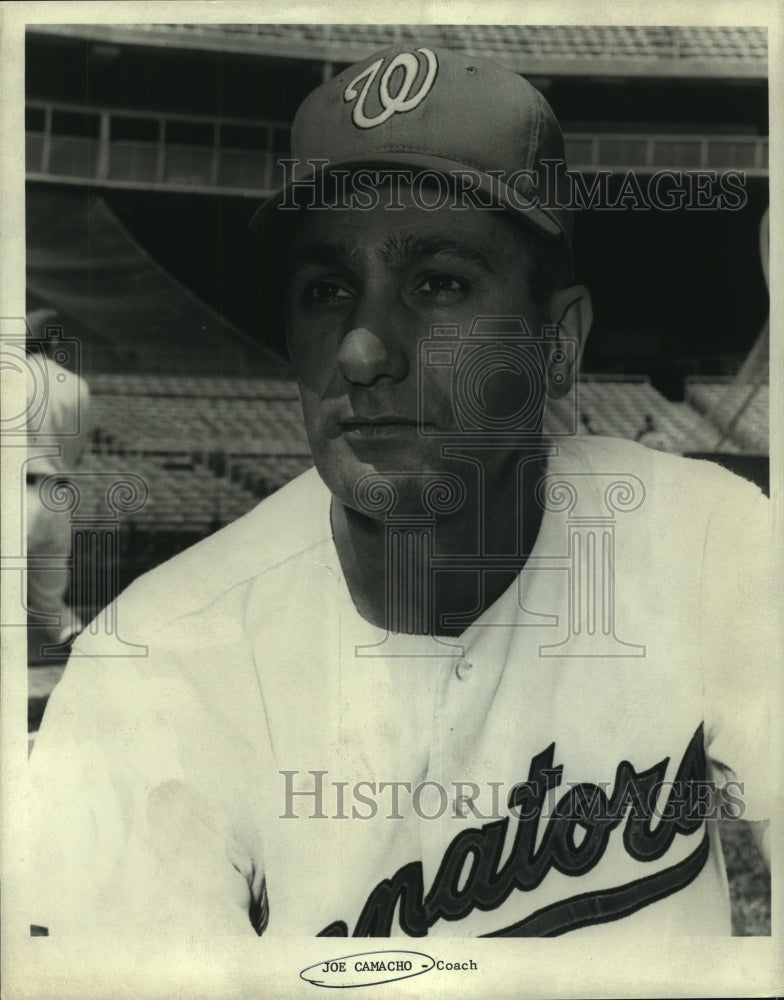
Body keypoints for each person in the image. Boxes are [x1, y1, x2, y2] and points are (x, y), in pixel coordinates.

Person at [28, 46, 773, 942]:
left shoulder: (706, 542)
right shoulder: (149, 669)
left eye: (440, 283)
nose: (360, 352)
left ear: (559, 343)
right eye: (327, 289)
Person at [25, 308, 91, 665]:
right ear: (54, 340)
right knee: (49, 599)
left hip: (17, 494)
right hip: (59, 494)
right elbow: (77, 449)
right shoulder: (76, 385)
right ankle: (73, 639)